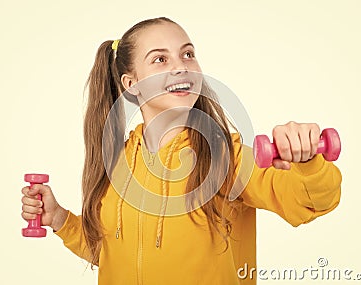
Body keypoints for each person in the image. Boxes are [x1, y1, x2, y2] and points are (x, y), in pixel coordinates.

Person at [21, 17, 342, 285]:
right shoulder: (117, 162)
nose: (181, 67)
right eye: (161, 59)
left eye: (188, 54)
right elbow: (111, 253)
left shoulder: (225, 158)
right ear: (131, 83)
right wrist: (60, 219)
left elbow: (306, 202)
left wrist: (308, 163)